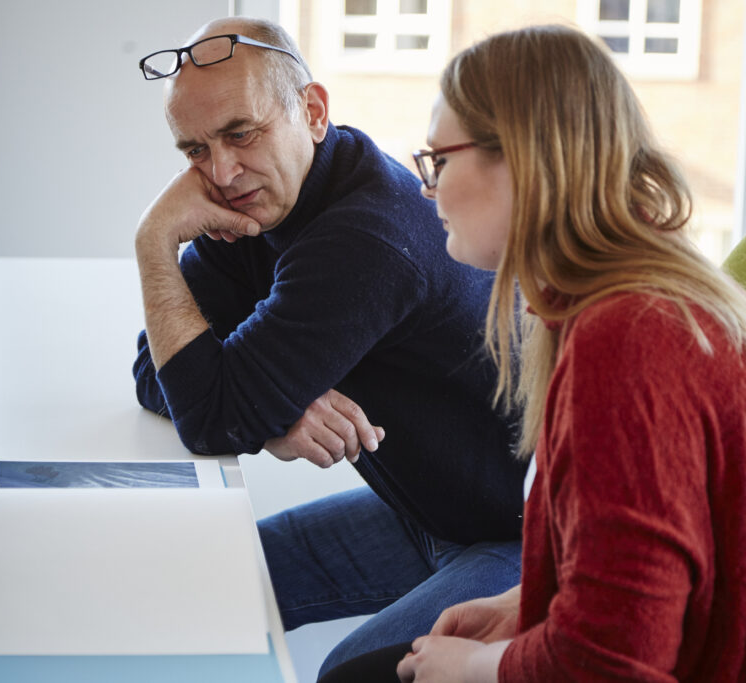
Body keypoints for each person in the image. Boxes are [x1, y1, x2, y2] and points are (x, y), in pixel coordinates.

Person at [322, 24, 746, 683]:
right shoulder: (626, 298)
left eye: (438, 161)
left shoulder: (629, 341)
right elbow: (628, 570)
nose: (427, 189)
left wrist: (479, 667)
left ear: (524, 161)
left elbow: (613, 664)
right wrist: (521, 606)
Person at [131, 16, 528, 675]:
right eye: (195, 151)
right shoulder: (255, 204)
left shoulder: (365, 236)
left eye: (240, 132)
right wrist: (279, 407)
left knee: (348, 673)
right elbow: (160, 370)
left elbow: (208, 415)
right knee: (210, 582)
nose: (222, 171)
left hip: (513, 538)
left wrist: (152, 243)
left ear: (312, 111)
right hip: (424, 511)